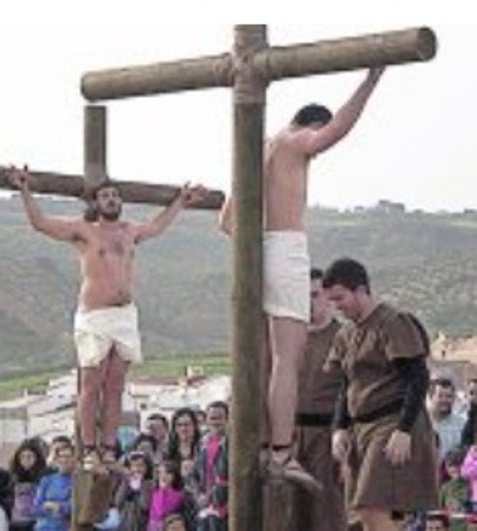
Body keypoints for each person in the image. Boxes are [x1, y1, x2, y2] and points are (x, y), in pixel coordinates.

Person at [218, 67, 385, 487]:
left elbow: (226, 221)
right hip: (286, 248)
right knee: (287, 358)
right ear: (312, 124)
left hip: (252, 250)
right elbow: (337, 129)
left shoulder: (255, 149)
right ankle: (280, 453)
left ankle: (258, 445)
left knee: (258, 356)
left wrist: (259, 245)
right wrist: (372, 78)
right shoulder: (295, 143)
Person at [7, 165, 206, 467]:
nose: (111, 199)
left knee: (115, 385)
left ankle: (109, 447)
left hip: (124, 315)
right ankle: (89, 447)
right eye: (105, 196)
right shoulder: (84, 231)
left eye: (115, 195)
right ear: (95, 202)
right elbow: (40, 223)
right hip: (94, 315)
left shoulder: (129, 231)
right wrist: (24, 189)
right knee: (91, 384)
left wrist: (180, 201)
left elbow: (157, 226)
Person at [326, 258, 438, 531]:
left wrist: (404, 429)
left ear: (361, 290)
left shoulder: (393, 322)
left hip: (392, 423)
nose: (337, 306)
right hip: (360, 428)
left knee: (372, 509)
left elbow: (418, 378)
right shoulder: (346, 334)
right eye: (332, 300)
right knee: (361, 516)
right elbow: (346, 384)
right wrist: (339, 427)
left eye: (340, 298)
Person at [289, 267, 345, 531]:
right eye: (303, 295)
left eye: (314, 294)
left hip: (328, 436)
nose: (309, 302)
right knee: (291, 513)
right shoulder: (287, 338)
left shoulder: (344, 337)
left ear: (327, 297)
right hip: (290, 437)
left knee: (327, 514)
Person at [190, 401, 229, 531]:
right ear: (206, 420)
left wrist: (211, 496)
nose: (215, 422)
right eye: (212, 418)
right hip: (204, 507)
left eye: (220, 418)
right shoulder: (202, 442)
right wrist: (198, 495)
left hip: (226, 506)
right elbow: (194, 474)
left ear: (228, 419)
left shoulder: (233, 443)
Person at [32, 442, 76, 531]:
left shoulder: (79, 481)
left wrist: (59, 507)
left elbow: (75, 507)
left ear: (75, 459)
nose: (64, 460)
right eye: (60, 456)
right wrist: (55, 508)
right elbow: (36, 507)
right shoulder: (46, 480)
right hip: (43, 527)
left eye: (68, 456)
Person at [9, 438, 49, 531]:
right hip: (16, 522)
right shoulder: (13, 476)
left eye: (29, 456)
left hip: (36, 522)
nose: (26, 460)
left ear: (36, 457)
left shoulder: (45, 476)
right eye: (22, 457)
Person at [429, 378, 468, 460]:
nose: (444, 400)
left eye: (449, 396)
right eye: (440, 396)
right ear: (431, 397)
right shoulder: (422, 423)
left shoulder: (462, 425)